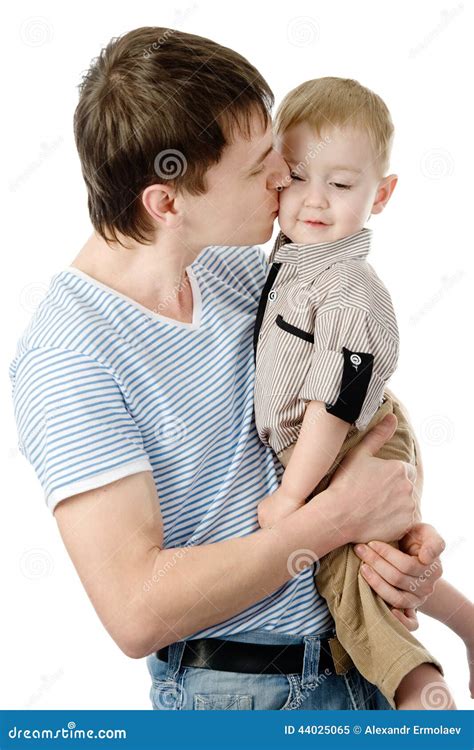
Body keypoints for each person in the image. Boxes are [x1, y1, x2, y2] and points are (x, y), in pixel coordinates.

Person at [9, 28, 445, 711]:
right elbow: (136, 611)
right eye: (258, 167)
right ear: (167, 202)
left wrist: (397, 535)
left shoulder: (239, 270)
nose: (284, 175)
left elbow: (349, 403)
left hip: (359, 668)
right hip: (240, 695)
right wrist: (333, 520)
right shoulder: (70, 358)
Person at [253, 77, 474, 710]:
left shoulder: (350, 288)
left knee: (353, 580)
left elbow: (336, 403)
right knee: (384, 559)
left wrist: (294, 496)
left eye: (342, 185)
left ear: (382, 195)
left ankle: (422, 700)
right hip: (326, 441)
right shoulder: (293, 255)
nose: (313, 200)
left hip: (348, 438)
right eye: (295, 176)